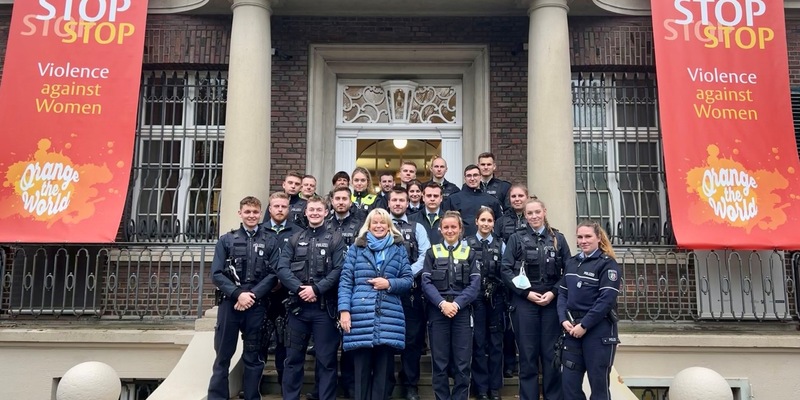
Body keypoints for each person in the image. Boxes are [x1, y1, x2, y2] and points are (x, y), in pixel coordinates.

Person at [338, 208, 414, 400]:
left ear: (389, 226)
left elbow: (408, 280)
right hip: (360, 315)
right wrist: (344, 310)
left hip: (389, 316)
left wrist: (389, 284)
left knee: (384, 374)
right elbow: (346, 282)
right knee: (360, 373)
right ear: (368, 226)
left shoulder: (398, 249)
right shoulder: (356, 248)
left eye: (383, 222)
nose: (379, 226)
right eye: (375, 223)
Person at [208, 196, 279, 400]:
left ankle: (251, 396)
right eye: (247, 212)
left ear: (261, 214)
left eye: (255, 212)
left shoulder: (271, 241)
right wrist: (238, 294)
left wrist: (252, 295)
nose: (251, 216)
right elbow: (216, 274)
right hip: (230, 304)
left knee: (254, 357)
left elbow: (274, 274)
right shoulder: (226, 240)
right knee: (223, 356)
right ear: (240, 213)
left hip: (257, 305)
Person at [277, 195, 346, 400]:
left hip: (324, 310)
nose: (315, 213)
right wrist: (300, 289)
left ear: (326, 213)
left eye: (319, 210)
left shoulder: (335, 239)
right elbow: (282, 268)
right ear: (305, 212)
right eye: (311, 210)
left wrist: (316, 289)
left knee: (326, 361)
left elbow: (338, 269)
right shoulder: (294, 239)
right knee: (292, 359)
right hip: (297, 309)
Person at [501, 198, 571, 400]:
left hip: (551, 302)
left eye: (537, 212)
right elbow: (505, 270)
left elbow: (569, 271)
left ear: (544, 212)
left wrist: (554, 292)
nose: (534, 216)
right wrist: (526, 293)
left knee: (551, 355)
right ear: (525, 215)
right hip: (525, 303)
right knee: (528, 355)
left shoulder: (558, 238)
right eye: (529, 213)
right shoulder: (516, 238)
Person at [421, 211, 481, 400]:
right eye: (446, 227)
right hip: (438, 311)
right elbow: (426, 283)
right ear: (440, 229)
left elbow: (475, 285)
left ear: (460, 229)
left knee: (462, 363)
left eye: (453, 227)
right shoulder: (432, 252)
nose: (450, 230)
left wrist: (456, 304)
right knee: (440, 363)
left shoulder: (469, 253)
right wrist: (442, 304)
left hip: (461, 312)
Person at [557, 221, 621, 400]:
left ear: (598, 238)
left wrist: (584, 325)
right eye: (580, 237)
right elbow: (562, 294)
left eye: (588, 236)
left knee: (599, 388)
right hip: (572, 330)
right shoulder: (572, 263)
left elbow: (606, 300)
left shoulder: (607, 264)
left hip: (598, 331)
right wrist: (563, 320)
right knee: (569, 386)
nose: (583, 241)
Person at [386, 186, 431, 400]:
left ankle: (410, 384)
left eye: (401, 200)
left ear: (408, 203)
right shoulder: (379, 224)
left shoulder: (417, 227)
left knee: (412, 340)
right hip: (385, 291)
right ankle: (385, 384)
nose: (397, 203)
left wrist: (405, 275)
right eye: (394, 200)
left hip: (411, 292)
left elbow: (425, 255)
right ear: (388, 202)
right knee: (386, 339)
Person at [260, 192, 303, 390]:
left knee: (285, 342)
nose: (279, 209)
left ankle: (284, 385)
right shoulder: (260, 231)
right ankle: (254, 385)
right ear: (270, 209)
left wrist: (284, 281)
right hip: (263, 294)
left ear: (289, 209)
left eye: (283, 206)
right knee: (259, 340)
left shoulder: (298, 232)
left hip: (287, 294)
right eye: (276, 206)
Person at [326, 185, 365, 398]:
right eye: (337, 198)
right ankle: (326, 387)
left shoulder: (360, 225)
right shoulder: (324, 224)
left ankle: (350, 386)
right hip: (328, 288)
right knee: (328, 343)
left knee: (350, 340)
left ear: (351, 202)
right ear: (332, 201)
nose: (341, 202)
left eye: (344, 199)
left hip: (353, 286)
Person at [466, 207, 507, 400]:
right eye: (482, 220)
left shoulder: (501, 244)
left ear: (493, 223)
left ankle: (495, 388)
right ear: (476, 221)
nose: (486, 224)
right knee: (478, 342)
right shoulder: (466, 243)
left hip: (496, 298)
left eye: (489, 220)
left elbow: (506, 271)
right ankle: (481, 388)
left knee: (496, 343)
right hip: (475, 299)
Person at [493, 184, 530, 378]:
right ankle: (508, 363)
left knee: (526, 324)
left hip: (530, 279)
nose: (517, 199)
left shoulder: (532, 218)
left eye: (520, 195)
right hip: (507, 277)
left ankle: (527, 363)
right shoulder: (501, 221)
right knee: (507, 324)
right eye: (513, 196)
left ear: (526, 197)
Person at [446, 164, 502, 237]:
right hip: (461, 240)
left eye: (475, 175)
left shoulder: (492, 200)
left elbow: (499, 224)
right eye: (469, 176)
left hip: (485, 241)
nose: (472, 179)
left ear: (480, 177)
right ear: (465, 178)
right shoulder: (453, 199)